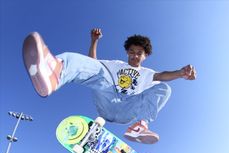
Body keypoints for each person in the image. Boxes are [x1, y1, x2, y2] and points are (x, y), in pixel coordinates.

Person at [23, 29, 196, 144]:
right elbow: (92, 64)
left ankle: (140, 127)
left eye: (139, 53)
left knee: (164, 87)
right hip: (106, 102)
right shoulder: (115, 64)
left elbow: (162, 75)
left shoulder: (147, 73)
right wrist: (94, 41)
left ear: (145, 56)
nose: (135, 56)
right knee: (100, 71)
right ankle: (55, 72)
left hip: (127, 109)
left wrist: (180, 73)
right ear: (127, 52)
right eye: (132, 52)